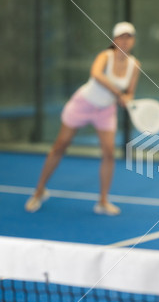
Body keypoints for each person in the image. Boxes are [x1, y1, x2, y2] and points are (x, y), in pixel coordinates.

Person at [25, 22, 141, 216]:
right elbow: (95, 74)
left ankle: (103, 201)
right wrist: (117, 92)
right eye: (121, 36)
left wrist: (126, 98)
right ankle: (39, 191)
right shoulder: (105, 56)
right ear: (114, 40)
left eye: (129, 37)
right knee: (60, 145)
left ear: (133, 40)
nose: (125, 40)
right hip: (83, 104)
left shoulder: (135, 65)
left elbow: (129, 92)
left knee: (109, 153)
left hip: (105, 110)